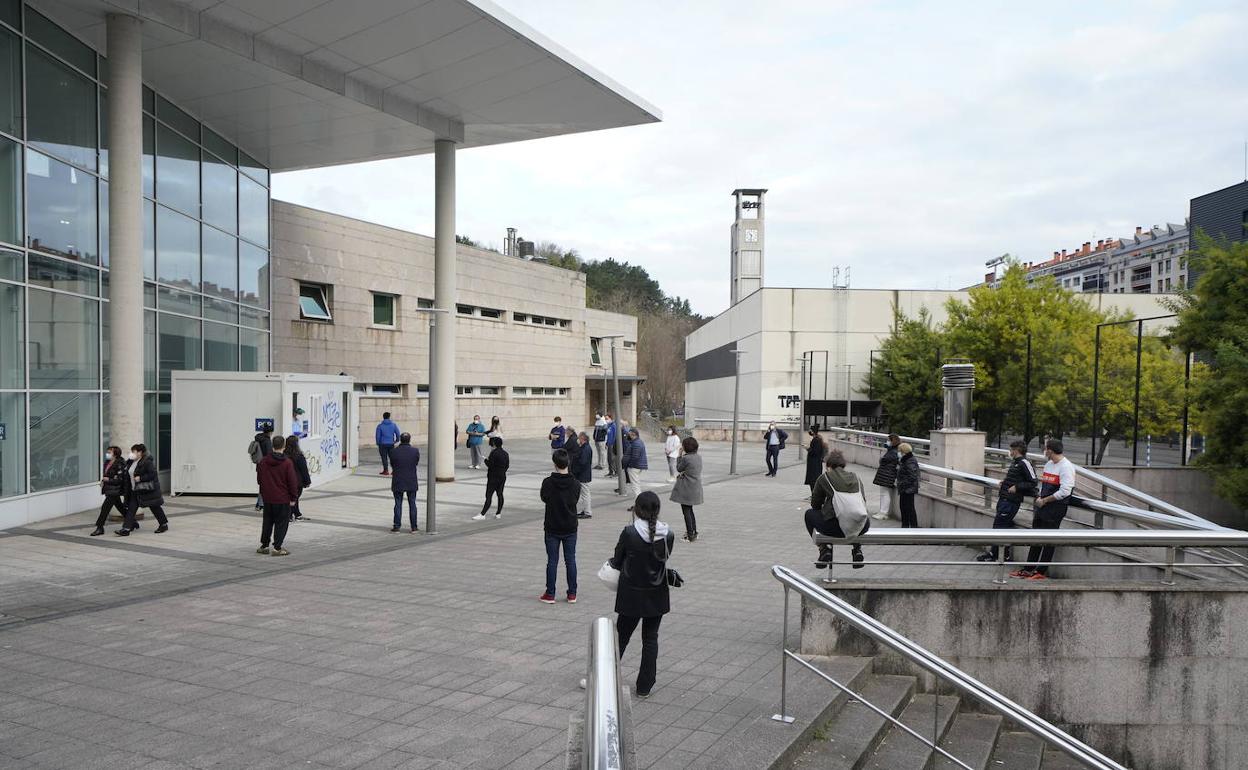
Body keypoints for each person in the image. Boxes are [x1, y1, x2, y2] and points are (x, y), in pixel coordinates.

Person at [609, 490, 675, 698]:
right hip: (657, 593)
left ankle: (607, 676)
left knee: (620, 637)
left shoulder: (630, 532)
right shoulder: (668, 534)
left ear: (637, 510)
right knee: (650, 638)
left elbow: (617, 560)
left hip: (632, 594)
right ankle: (645, 686)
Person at [1014, 439, 1075, 580]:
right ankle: (1029, 569)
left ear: (1050, 451)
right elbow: (1044, 485)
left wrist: (1045, 500)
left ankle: (1041, 571)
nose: (1044, 451)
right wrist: (1039, 497)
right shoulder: (1049, 464)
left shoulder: (1066, 467)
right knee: (1036, 538)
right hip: (1042, 507)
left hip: (1055, 509)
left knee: (1048, 540)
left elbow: (1065, 491)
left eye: (1045, 449)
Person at [805, 449, 869, 569]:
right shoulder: (856, 477)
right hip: (862, 526)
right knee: (853, 516)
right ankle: (857, 549)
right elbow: (863, 501)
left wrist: (827, 506)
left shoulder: (825, 478)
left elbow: (815, 505)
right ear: (843, 465)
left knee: (809, 514)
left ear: (828, 465)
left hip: (835, 528)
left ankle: (824, 549)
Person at [977, 441, 1037, 563]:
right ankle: (1003, 554)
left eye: (1011, 449)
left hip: (1011, 501)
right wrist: (1004, 483)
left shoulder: (1024, 462)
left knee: (999, 527)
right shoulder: (1015, 463)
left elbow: (1033, 482)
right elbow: (1015, 478)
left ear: (1017, 450)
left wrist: (1017, 487)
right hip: (1004, 499)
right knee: (1001, 526)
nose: (1010, 452)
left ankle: (995, 555)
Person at [539, 449, 580, 604]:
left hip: (552, 526)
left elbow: (544, 498)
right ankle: (572, 593)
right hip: (570, 526)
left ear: (555, 464)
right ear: (567, 463)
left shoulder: (548, 482)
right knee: (570, 560)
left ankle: (550, 594)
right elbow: (575, 500)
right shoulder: (575, 483)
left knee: (552, 561)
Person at [255, 435, 299, 555]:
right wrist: (293, 497)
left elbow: (259, 479)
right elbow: (292, 482)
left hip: (268, 498)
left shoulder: (263, 461)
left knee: (267, 522)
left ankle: (264, 546)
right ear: (284, 446)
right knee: (281, 523)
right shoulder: (287, 463)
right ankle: (277, 548)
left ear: (273, 445)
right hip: (282, 498)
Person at [116, 444, 170, 537]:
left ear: (140, 453)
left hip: (146, 490)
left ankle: (163, 524)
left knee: (155, 507)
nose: (131, 453)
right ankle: (126, 529)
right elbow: (126, 472)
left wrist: (140, 478)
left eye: (134, 451)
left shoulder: (147, 462)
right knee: (131, 509)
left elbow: (152, 474)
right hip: (134, 490)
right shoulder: (130, 461)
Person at [670, 437, 703, 542]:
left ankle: (690, 535)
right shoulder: (698, 457)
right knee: (690, 510)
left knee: (686, 512)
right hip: (695, 488)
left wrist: (679, 455)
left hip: (687, 489)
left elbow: (679, 468)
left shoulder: (686, 458)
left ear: (686, 447)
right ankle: (694, 531)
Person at [92, 446, 127, 536]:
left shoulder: (120, 463)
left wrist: (109, 480)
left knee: (105, 508)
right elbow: (108, 476)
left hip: (115, 490)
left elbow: (119, 479)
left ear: (115, 454)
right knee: (120, 507)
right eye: (107, 452)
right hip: (109, 489)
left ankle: (100, 527)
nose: (107, 453)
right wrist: (104, 481)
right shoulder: (108, 462)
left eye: (109, 452)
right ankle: (132, 522)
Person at [390, 432, 420, 533]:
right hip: (411, 480)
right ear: (409, 440)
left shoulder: (394, 451)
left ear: (400, 439)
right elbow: (416, 463)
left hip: (398, 479)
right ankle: (414, 527)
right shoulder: (415, 451)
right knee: (412, 503)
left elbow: (392, 464)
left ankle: (397, 526)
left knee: (398, 503)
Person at [474, 437, 509, 520]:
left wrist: (485, 460)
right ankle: (498, 513)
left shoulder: (494, 453)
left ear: (494, 444)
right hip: (502, 476)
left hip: (493, 477)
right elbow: (507, 465)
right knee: (500, 494)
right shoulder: (505, 453)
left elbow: (490, 464)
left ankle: (483, 514)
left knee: (489, 495)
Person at [871, 434, 901, 520]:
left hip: (887, 475)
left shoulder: (893, 452)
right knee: (884, 493)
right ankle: (882, 511)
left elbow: (884, 460)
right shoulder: (892, 450)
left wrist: (882, 460)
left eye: (888, 440)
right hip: (886, 475)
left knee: (885, 493)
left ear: (893, 441)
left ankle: (884, 512)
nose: (887, 442)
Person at [249, 423, 274, 510]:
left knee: (262, 484)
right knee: (265, 485)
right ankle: (260, 504)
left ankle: (260, 504)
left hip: (259, 465)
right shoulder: (266, 441)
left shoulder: (258, 438)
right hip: (266, 467)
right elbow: (269, 455)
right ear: (270, 432)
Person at [287, 435, 312, 522]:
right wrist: (307, 481)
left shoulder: (284, 455)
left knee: (292, 497)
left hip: (287, 481)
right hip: (297, 482)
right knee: (295, 497)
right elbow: (304, 470)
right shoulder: (299, 456)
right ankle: (291, 515)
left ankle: (296, 514)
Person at [896, 442, 921, 528]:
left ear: (903, 451)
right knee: (904, 508)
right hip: (905, 488)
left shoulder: (910, 461)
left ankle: (913, 527)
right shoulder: (905, 460)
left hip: (908, 489)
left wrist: (902, 483)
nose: (898, 453)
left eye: (899, 451)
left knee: (909, 509)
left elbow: (912, 476)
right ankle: (905, 526)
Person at [571, 431, 594, 519]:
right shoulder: (584, 447)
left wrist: (575, 472)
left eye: (579, 438)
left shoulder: (586, 449)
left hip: (583, 475)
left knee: (585, 494)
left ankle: (588, 512)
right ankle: (585, 510)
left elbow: (582, 463)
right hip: (582, 475)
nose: (578, 440)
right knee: (584, 494)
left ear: (582, 439)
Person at [622, 428, 648, 504]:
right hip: (636, 466)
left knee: (635, 486)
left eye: (629, 434)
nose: (628, 436)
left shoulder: (636, 443)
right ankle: (638, 503)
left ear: (633, 434)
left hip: (634, 467)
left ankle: (638, 504)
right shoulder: (636, 442)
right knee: (636, 485)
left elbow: (635, 457)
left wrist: (629, 465)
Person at [375, 412, 401, 476]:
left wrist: (378, 443)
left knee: (384, 458)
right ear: (389, 417)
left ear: (383, 417)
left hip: (382, 444)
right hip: (391, 444)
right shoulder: (393, 425)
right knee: (392, 457)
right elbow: (398, 433)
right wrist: (397, 440)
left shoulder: (380, 426)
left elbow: (377, 436)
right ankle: (394, 470)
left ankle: (386, 470)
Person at [804, 427, 827, 495]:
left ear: (813, 432)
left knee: (813, 480)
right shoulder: (817, 439)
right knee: (814, 480)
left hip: (814, 464)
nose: (809, 432)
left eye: (810, 430)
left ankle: (815, 495)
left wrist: (808, 448)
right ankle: (814, 494)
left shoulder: (816, 440)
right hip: (815, 463)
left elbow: (815, 452)